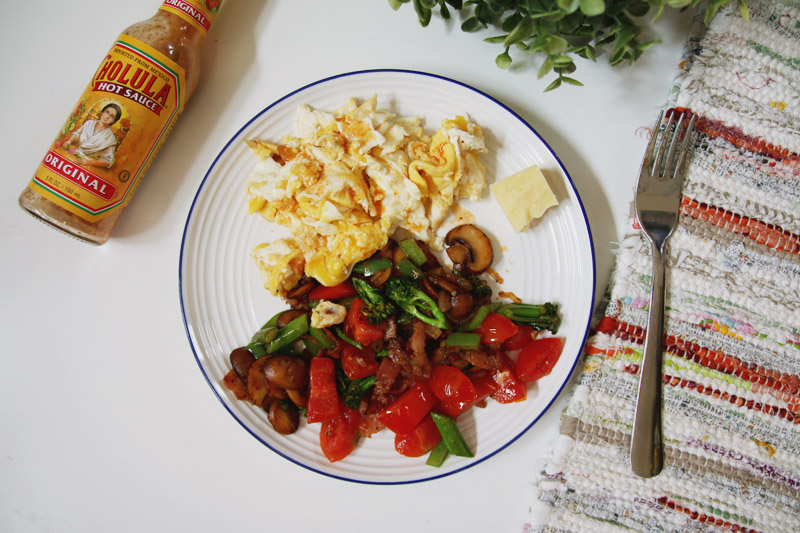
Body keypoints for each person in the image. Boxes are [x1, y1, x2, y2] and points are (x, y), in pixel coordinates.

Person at [63, 103, 122, 169]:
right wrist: (69, 141)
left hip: (88, 166)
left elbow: (108, 161)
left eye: (112, 116)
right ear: (102, 112)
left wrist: (87, 162)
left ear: (113, 121)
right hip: (74, 153)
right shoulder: (89, 123)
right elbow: (77, 134)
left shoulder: (110, 138)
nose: (107, 116)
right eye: (107, 112)